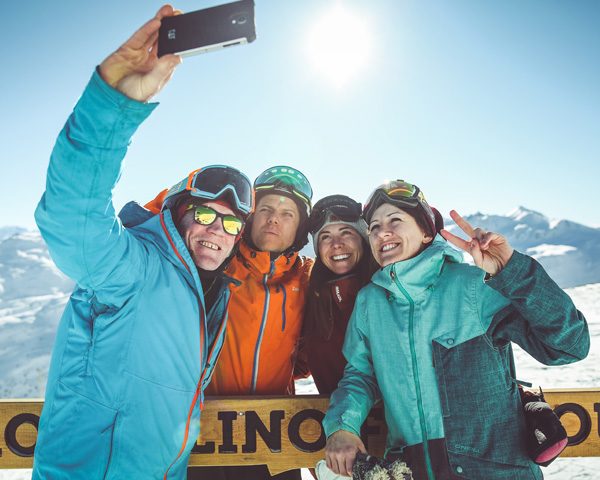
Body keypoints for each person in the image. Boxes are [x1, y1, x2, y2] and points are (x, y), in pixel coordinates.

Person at [32, 6, 254, 479]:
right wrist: (113, 105)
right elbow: (73, 216)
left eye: (232, 224)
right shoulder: (134, 268)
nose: (218, 230)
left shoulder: (211, 294)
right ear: (177, 215)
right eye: (206, 214)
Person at [321, 180, 589, 479]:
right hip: (412, 470)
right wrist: (342, 427)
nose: (382, 231)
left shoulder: (474, 285)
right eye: (373, 227)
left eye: (395, 220)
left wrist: (512, 270)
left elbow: (569, 346)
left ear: (426, 232)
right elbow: (360, 375)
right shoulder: (371, 302)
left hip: (494, 471)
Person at [189, 166, 314, 480]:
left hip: (275, 441)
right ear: (249, 216)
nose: (274, 219)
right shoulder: (216, 260)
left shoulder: (308, 278)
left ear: (300, 228)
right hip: (207, 437)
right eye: (266, 209)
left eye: (288, 214)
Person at [301, 194, 375, 395]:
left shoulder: (389, 289)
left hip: (395, 423)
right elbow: (297, 363)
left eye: (346, 232)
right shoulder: (312, 297)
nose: (336, 244)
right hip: (336, 422)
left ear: (363, 239)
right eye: (325, 236)